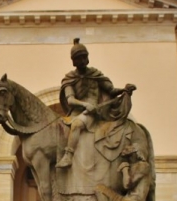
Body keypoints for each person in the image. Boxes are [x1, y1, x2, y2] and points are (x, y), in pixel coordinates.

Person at [57, 38, 133, 168]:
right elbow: (70, 100)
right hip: (78, 110)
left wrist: (124, 90)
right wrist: (84, 104)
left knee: (76, 124)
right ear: (74, 61)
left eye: (84, 57)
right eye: (79, 58)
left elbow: (111, 90)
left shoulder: (95, 74)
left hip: (93, 112)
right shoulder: (69, 78)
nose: (82, 60)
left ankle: (68, 156)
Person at [93, 143, 157, 201]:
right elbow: (123, 188)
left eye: (130, 147)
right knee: (99, 188)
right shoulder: (133, 166)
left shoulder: (143, 165)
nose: (125, 149)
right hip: (125, 200)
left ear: (136, 151)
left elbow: (127, 185)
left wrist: (124, 169)